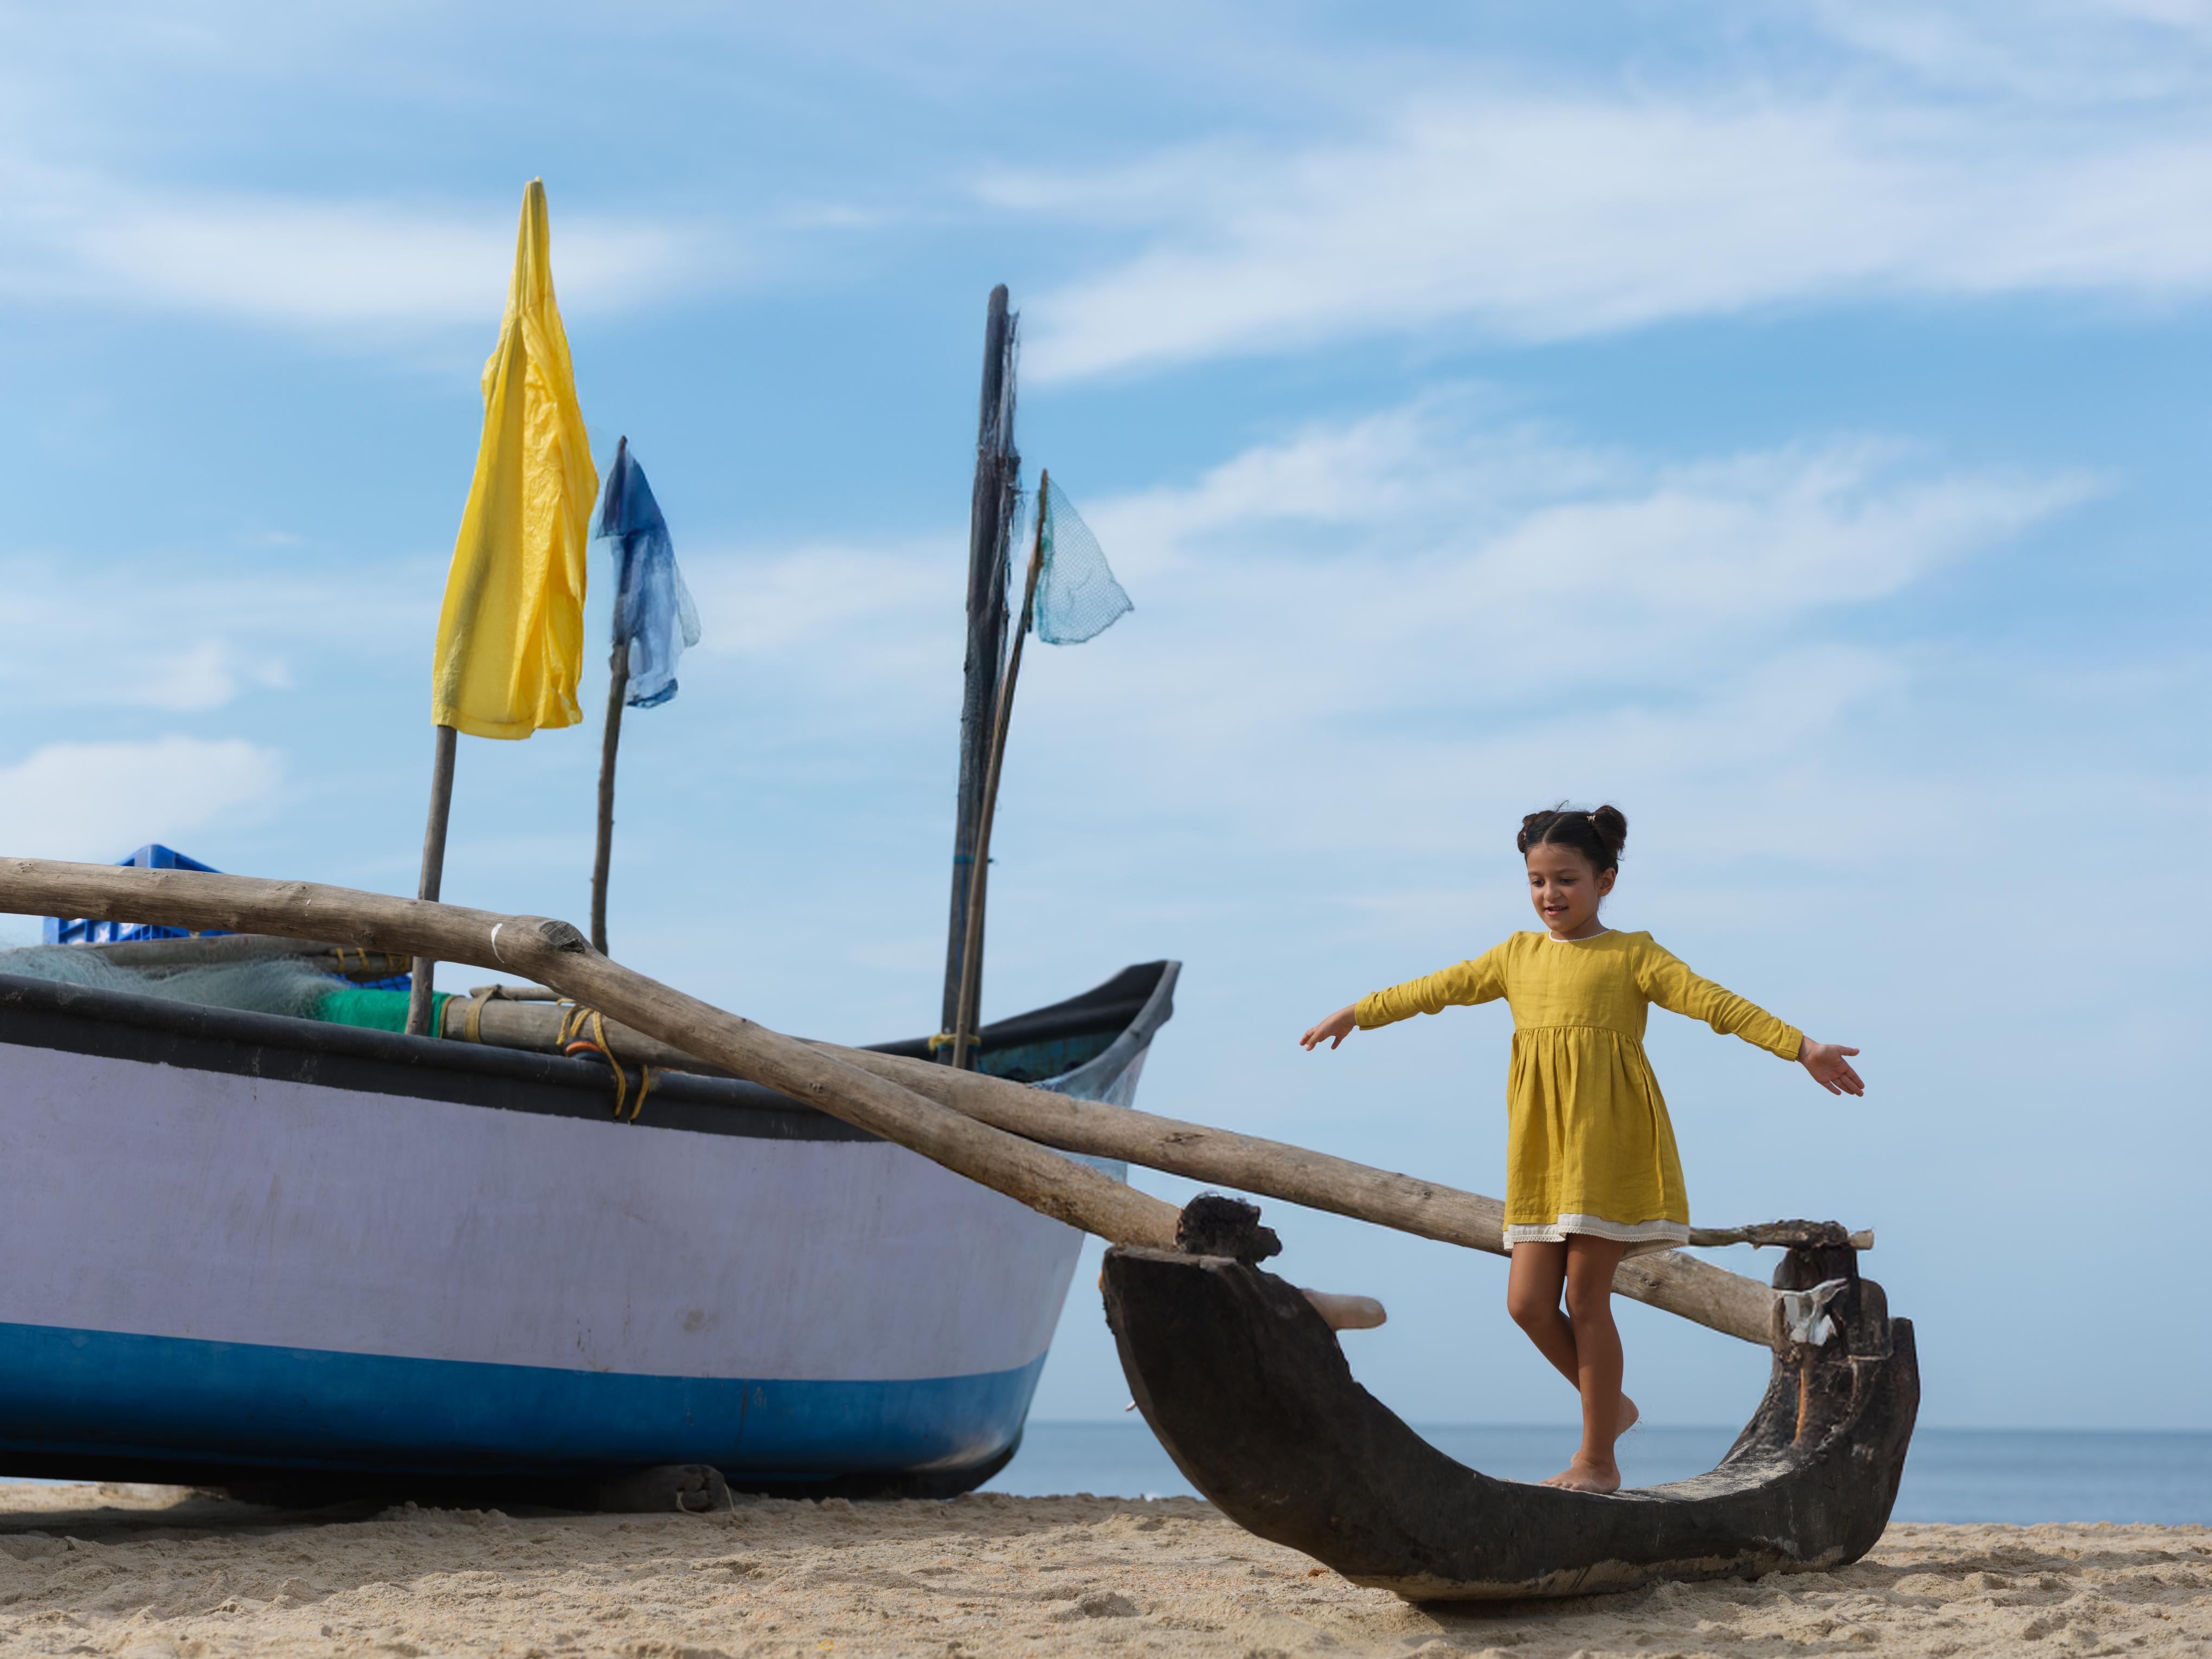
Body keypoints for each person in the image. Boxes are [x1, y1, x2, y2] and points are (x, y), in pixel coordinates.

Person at [1298, 805, 1863, 1494]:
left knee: (1586, 1296)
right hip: (1542, 1155)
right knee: (1528, 1303)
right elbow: (1436, 989)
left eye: (1566, 879)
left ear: (1606, 881)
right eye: (1537, 881)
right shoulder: (1516, 955)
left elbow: (1715, 1003)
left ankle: (1598, 1458)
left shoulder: (1634, 955)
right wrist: (1359, 1012)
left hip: (1609, 1146)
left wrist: (1802, 1047)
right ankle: (1612, 1410)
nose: (1550, 894)